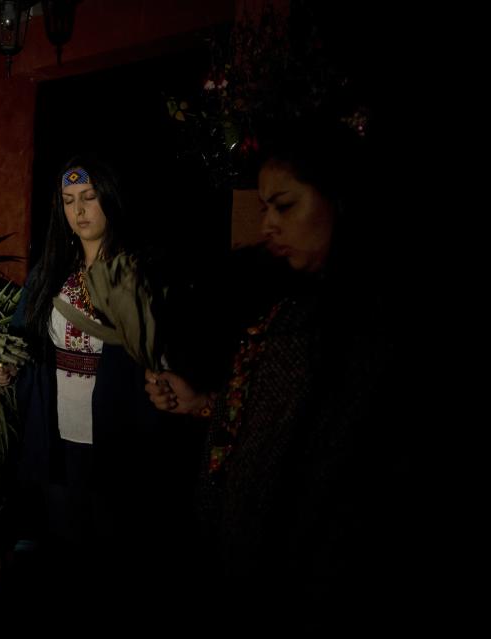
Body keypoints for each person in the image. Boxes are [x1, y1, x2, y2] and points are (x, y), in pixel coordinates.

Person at [146, 118, 402, 630]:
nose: (267, 225)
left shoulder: (370, 331)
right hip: (235, 569)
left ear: (341, 200)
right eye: (265, 208)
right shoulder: (286, 302)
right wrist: (201, 402)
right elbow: (268, 417)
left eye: (284, 206)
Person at [0, 155, 163, 624]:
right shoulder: (53, 270)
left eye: (89, 198)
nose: (79, 211)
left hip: (114, 430)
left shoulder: (137, 272)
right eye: (69, 201)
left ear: (110, 197)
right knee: (61, 543)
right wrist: (6, 365)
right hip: (58, 433)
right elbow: (20, 335)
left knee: (113, 548)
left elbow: (154, 352)